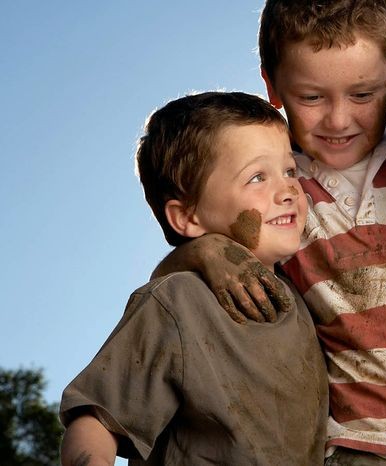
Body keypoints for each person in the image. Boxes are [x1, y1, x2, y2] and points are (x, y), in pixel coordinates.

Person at [152, 1, 386, 463]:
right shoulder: (277, 192)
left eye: (363, 95)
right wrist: (205, 251)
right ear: (272, 85)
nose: (339, 120)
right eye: (311, 97)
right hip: (360, 447)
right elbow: (173, 272)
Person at [59, 91, 328, 465]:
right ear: (187, 218)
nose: (288, 190)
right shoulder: (178, 302)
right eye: (256, 177)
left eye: (289, 170)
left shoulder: (308, 289)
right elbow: (98, 420)